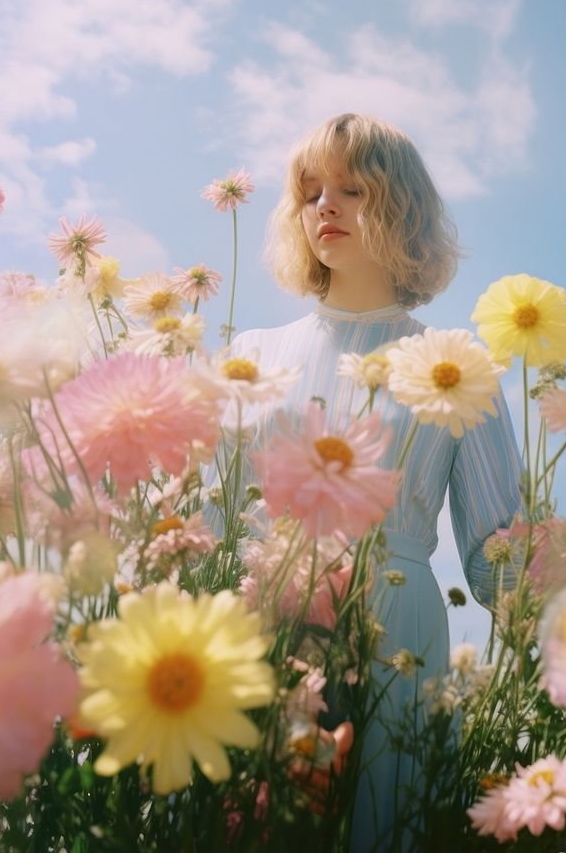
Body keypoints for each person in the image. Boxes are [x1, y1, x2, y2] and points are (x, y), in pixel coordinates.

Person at [219, 113, 522, 850]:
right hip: (264, 625)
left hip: (400, 638)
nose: (325, 205)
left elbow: (498, 553)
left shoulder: (458, 366)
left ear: (404, 209)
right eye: (310, 191)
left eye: (352, 188)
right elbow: (215, 526)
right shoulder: (252, 356)